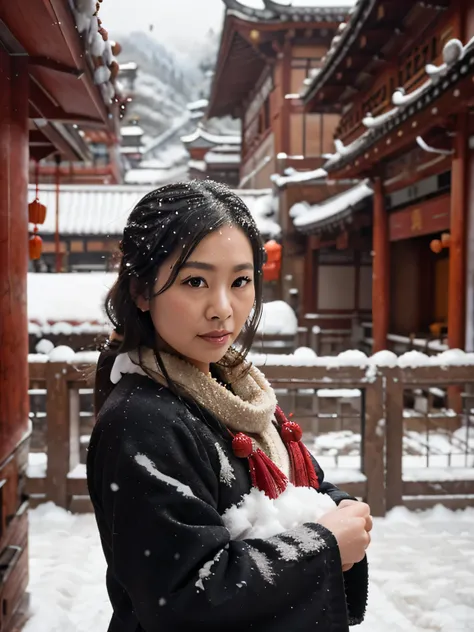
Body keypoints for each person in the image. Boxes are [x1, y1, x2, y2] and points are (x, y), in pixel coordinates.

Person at [87, 180, 371, 632]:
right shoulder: (140, 421)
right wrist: (326, 544)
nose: (223, 308)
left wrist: (337, 507)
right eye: (194, 281)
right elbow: (184, 597)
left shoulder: (234, 387)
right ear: (141, 291)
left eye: (240, 281)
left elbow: (304, 481)